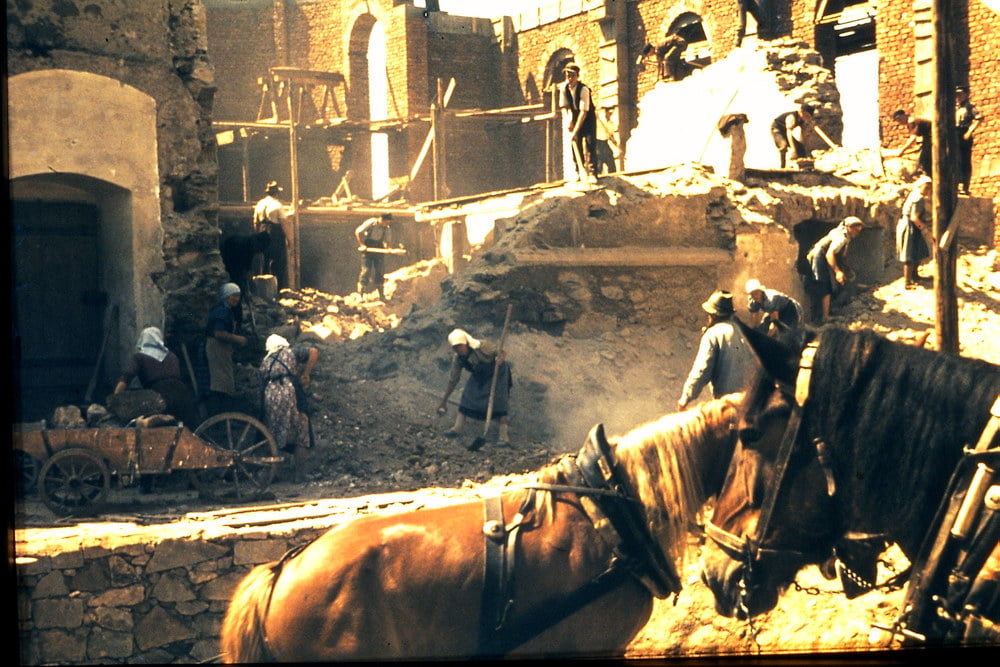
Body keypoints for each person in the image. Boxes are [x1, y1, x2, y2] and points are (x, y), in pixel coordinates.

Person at [678, 290, 757, 410]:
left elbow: (702, 370)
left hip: (728, 405)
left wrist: (686, 397)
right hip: (751, 403)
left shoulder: (713, 334)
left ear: (713, 315)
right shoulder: (745, 331)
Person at [437, 329, 513, 448]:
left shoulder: (483, 346)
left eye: (460, 346)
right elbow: (453, 380)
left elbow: (501, 352)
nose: (458, 350)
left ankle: (504, 437)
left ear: (466, 343)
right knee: (467, 396)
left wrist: (500, 358)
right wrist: (444, 401)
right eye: (455, 347)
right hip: (479, 374)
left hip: (498, 373)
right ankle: (457, 428)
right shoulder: (459, 359)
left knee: (499, 403)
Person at [114, 327, 200, 428]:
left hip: (159, 394)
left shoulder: (140, 356)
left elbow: (127, 377)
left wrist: (115, 398)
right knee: (187, 427)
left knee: (152, 424)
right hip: (181, 393)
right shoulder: (172, 356)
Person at [259, 335, 316, 483]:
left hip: (270, 396)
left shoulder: (266, 361)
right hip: (290, 393)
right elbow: (313, 351)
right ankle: (300, 476)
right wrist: (306, 374)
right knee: (301, 432)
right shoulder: (291, 352)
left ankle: (272, 474)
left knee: (273, 434)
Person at [805, 216, 865, 322]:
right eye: (856, 230)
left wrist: (847, 269)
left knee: (829, 283)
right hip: (818, 255)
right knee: (824, 284)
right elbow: (830, 254)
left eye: (859, 231)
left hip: (819, 255)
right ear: (849, 227)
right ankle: (825, 316)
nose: (857, 233)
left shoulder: (845, 236)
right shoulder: (841, 237)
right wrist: (837, 272)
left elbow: (842, 256)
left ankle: (826, 311)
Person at [203, 282, 249, 414]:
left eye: (238, 296)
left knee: (223, 381)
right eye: (233, 296)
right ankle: (219, 414)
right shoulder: (221, 311)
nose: (236, 299)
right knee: (220, 383)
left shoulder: (227, 310)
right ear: (226, 296)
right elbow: (219, 333)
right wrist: (238, 339)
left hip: (223, 349)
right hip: (217, 349)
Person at [559, 63, 598, 182]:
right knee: (575, 144)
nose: (570, 79)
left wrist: (575, 130)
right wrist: (568, 120)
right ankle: (579, 173)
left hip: (588, 119)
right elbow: (564, 107)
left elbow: (584, 112)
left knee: (590, 144)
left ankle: (592, 173)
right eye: (568, 76)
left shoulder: (584, 89)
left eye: (572, 76)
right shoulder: (564, 89)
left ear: (577, 76)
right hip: (575, 117)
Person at [896, 175, 932, 290]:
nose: (928, 190)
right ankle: (907, 282)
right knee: (910, 253)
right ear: (920, 186)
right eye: (926, 187)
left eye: (930, 188)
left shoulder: (914, 195)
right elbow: (914, 217)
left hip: (910, 225)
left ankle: (915, 277)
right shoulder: (918, 198)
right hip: (910, 226)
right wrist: (925, 230)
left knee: (917, 251)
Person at [253, 181, 290, 288]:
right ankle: (278, 288)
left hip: (262, 232)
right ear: (277, 193)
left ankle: (263, 288)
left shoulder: (260, 204)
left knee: (264, 260)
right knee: (278, 262)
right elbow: (284, 223)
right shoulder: (277, 205)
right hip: (275, 234)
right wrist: (290, 239)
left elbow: (255, 222)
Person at [355, 212, 397, 301]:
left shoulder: (387, 228)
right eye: (386, 222)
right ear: (381, 219)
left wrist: (388, 248)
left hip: (379, 249)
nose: (387, 224)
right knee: (366, 271)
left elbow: (387, 241)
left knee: (380, 271)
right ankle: (360, 295)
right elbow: (358, 232)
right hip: (368, 249)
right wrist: (362, 245)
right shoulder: (371, 223)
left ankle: (381, 296)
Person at [955, 86, 983, 195]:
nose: (958, 97)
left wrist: (969, 131)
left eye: (960, 94)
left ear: (966, 95)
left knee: (964, 160)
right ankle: (955, 185)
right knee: (954, 160)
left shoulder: (969, 107)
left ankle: (965, 187)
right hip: (954, 135)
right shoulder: (953, 108)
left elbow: (979, 118)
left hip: (963, 134)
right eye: (956, 94)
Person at [771, 103, 817, 168]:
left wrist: (806, 149)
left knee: (800, 148)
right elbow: (789, 133)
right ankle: (782, 167)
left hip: (785, 130)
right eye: (806, 115)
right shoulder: (792, 117)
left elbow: (803, 135)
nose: (806, 117)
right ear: (801, 112)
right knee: (783, 146)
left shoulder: (803, 120)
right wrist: (793, 149)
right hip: (777, 129)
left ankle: (805, 166)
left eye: (808, 116)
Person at [890, 110, 932, 177]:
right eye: (898, 121)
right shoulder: (910, 123)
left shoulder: (912, 121)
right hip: (928, 138)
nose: (900, 122)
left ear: (904, 115)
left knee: (923, 161)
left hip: (934, 138)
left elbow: (913, 139)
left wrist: (902, 150)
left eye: (900, 119)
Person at [718, 113, 749, 181]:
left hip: (732, 126)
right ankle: (735, 176)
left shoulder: (739, 131)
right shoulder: (735, 129)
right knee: (737, 157)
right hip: (732, 126)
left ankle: (737, 176)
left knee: (738, 156)